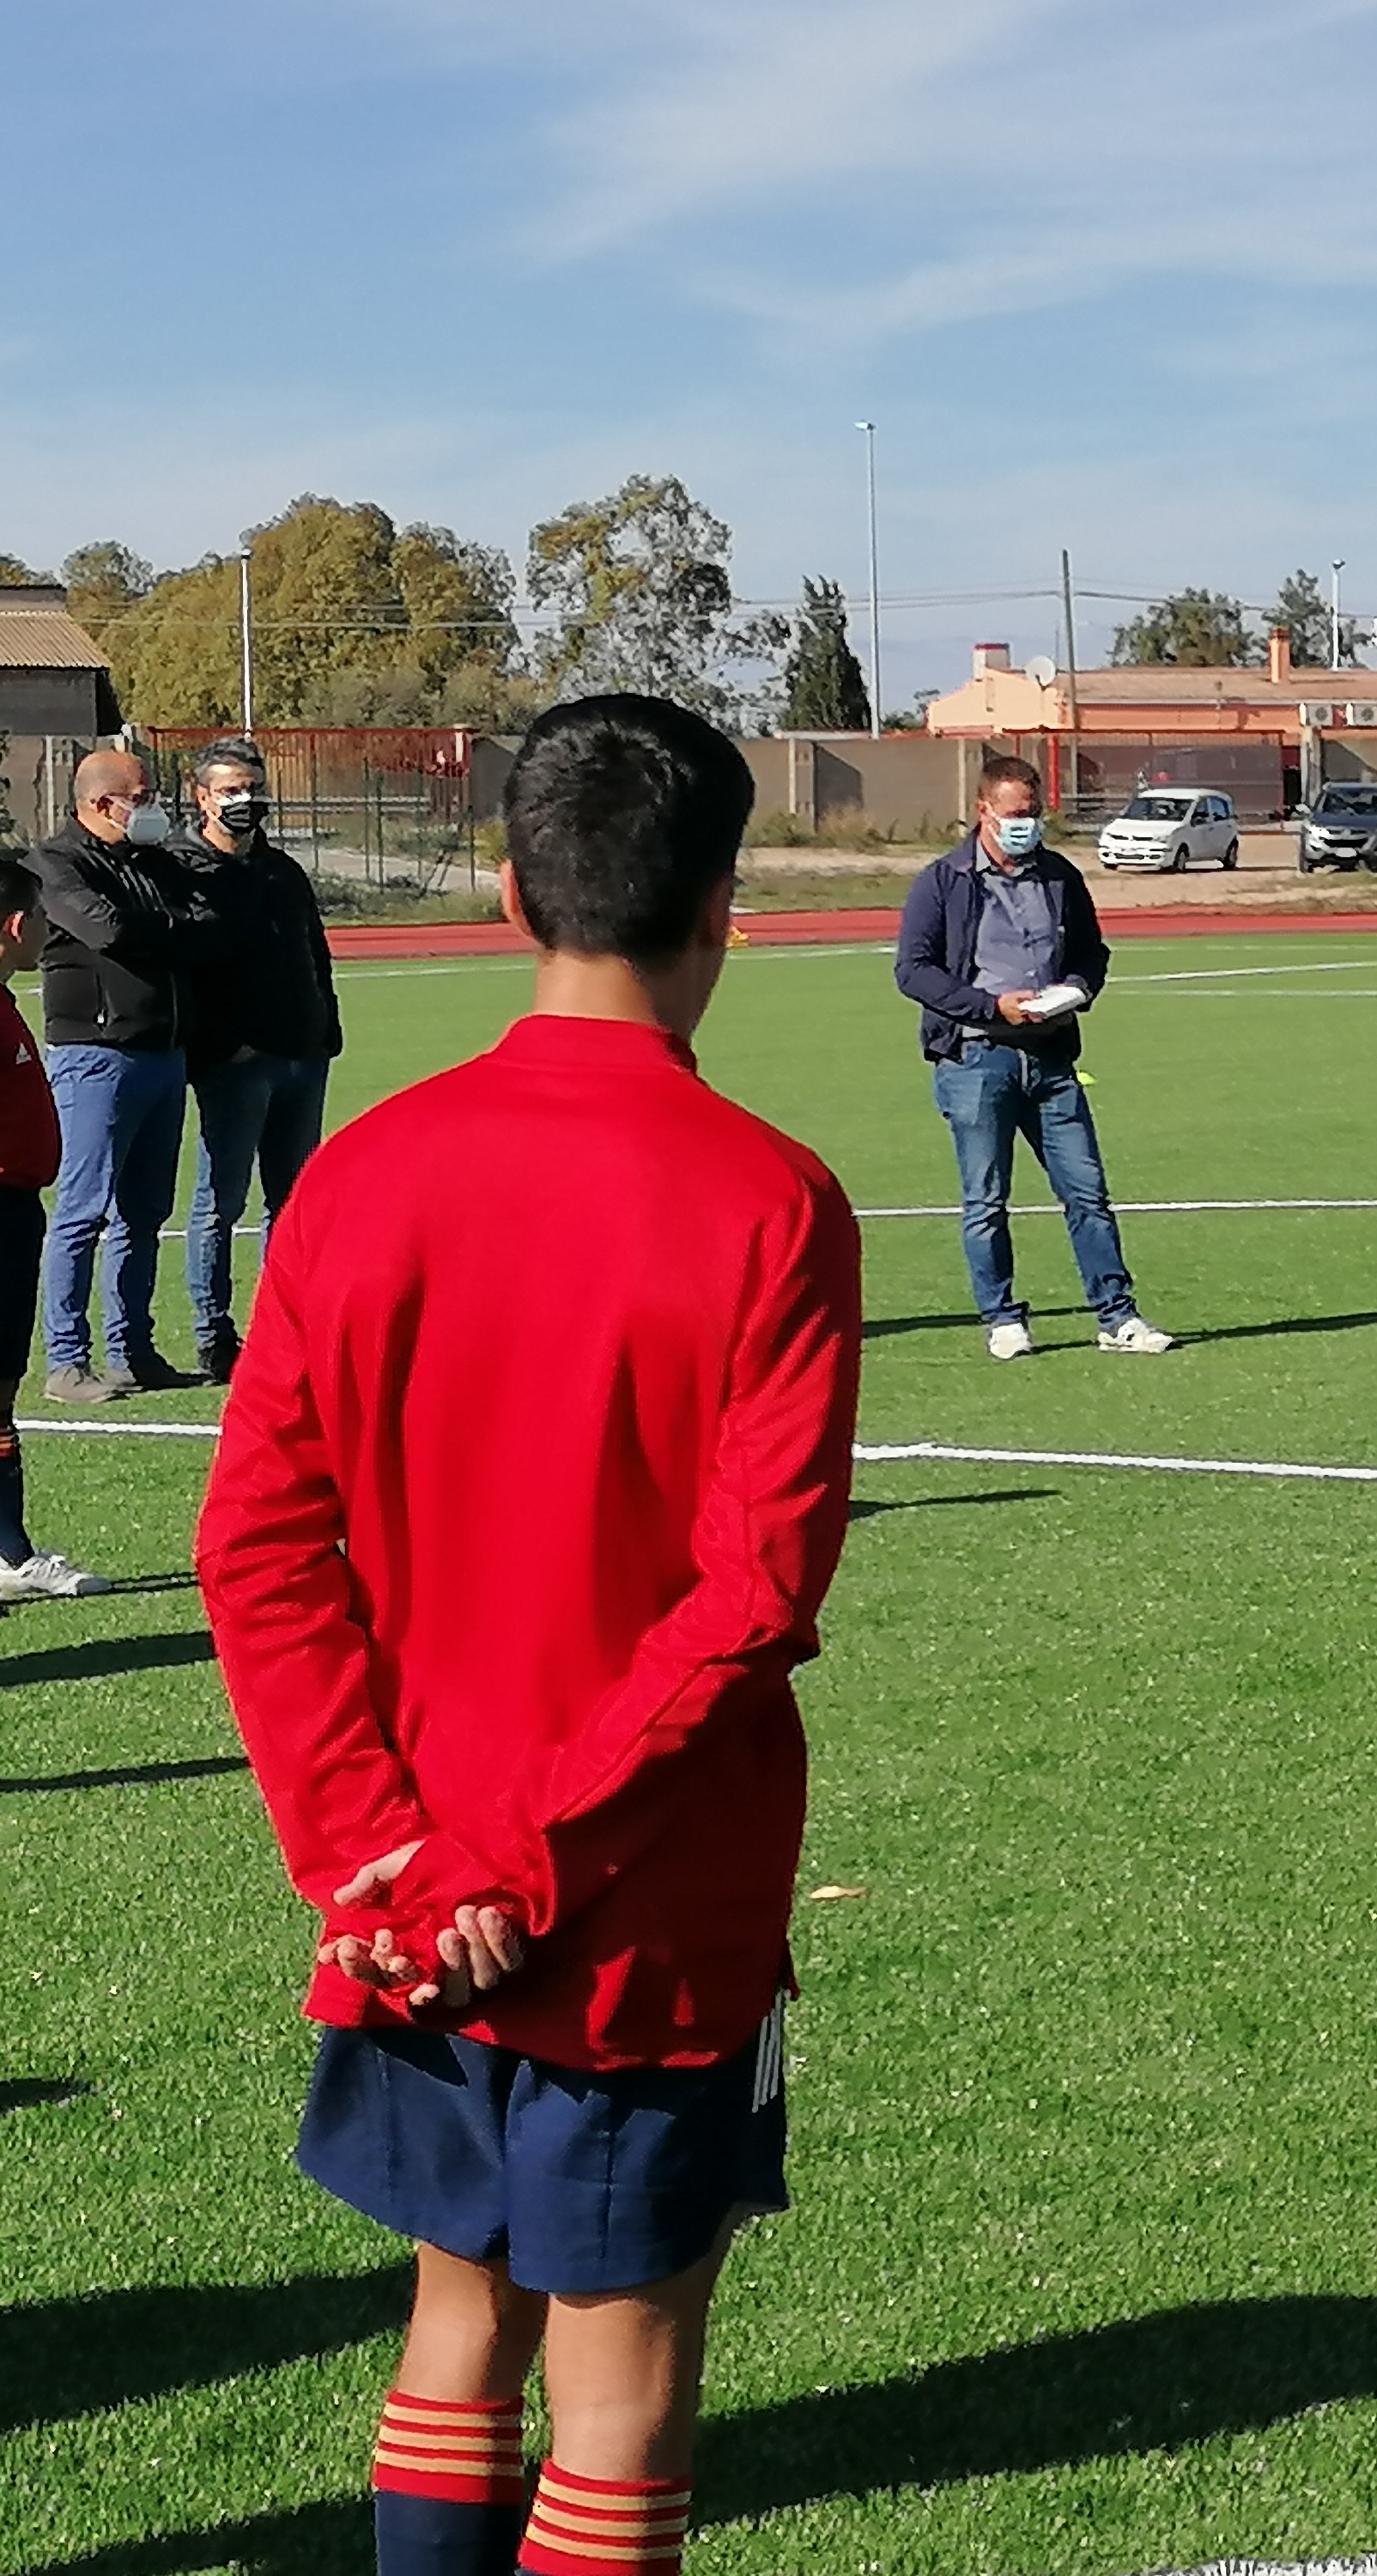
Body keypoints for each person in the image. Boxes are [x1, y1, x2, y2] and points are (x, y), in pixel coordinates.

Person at [201, 693, 863, 2576]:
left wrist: (377, 1853)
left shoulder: (365, 1169)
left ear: (506, 891)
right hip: (639, 1900)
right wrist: (523, 1858)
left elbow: (257, 1547)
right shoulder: (770, 1199)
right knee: (622, 2381)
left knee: (456, 2322)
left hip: (408, 1895)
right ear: (724, 904)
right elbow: (752, 1595)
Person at [895, 755, 1172, 1358]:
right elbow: (913, 971)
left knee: (1087, 1192)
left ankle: (1117, 1316)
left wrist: (1075, 989)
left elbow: (1092, 952)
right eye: (1016, 814)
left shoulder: (1059, 876)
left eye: (1035, 812)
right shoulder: (943, 881)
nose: (1028, 823)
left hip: (1051, 1061)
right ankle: (1002, 1318)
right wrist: (992, 1007)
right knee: (986, 1200)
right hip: (977, 1060)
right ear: (984, 811)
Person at [31, 745, 213, 1402]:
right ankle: (65, 1359)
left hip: (163, 1055)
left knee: (145, 1213)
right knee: (82, 1211)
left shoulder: (152, 862)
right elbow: (105, 930)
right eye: (142, 798)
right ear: (101, 802)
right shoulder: (55, 863)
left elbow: (204, 923)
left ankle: (132, 1350)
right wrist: (170, 926)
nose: (153, 808)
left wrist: (165, 926)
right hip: (95, 1057)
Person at [177, 739, 342, 1381]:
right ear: (202, 797)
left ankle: (283, 1330)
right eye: (230, 790)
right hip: (235, 1064)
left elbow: (315, 952)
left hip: (303, 1055)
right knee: (220, 1203)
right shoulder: (186, 871)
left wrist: (325, 1028)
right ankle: (213, 1333)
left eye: (252, 788)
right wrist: (221, 1046)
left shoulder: (283, 871)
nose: (244, 800)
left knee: (293, 1204)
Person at [0, 859, 109, 1598]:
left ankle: (9, 1551)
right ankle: (11, 1553)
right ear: (16, 925)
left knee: (0, 1392)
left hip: (13, 1214)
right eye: (40, 917)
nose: (47, 929)